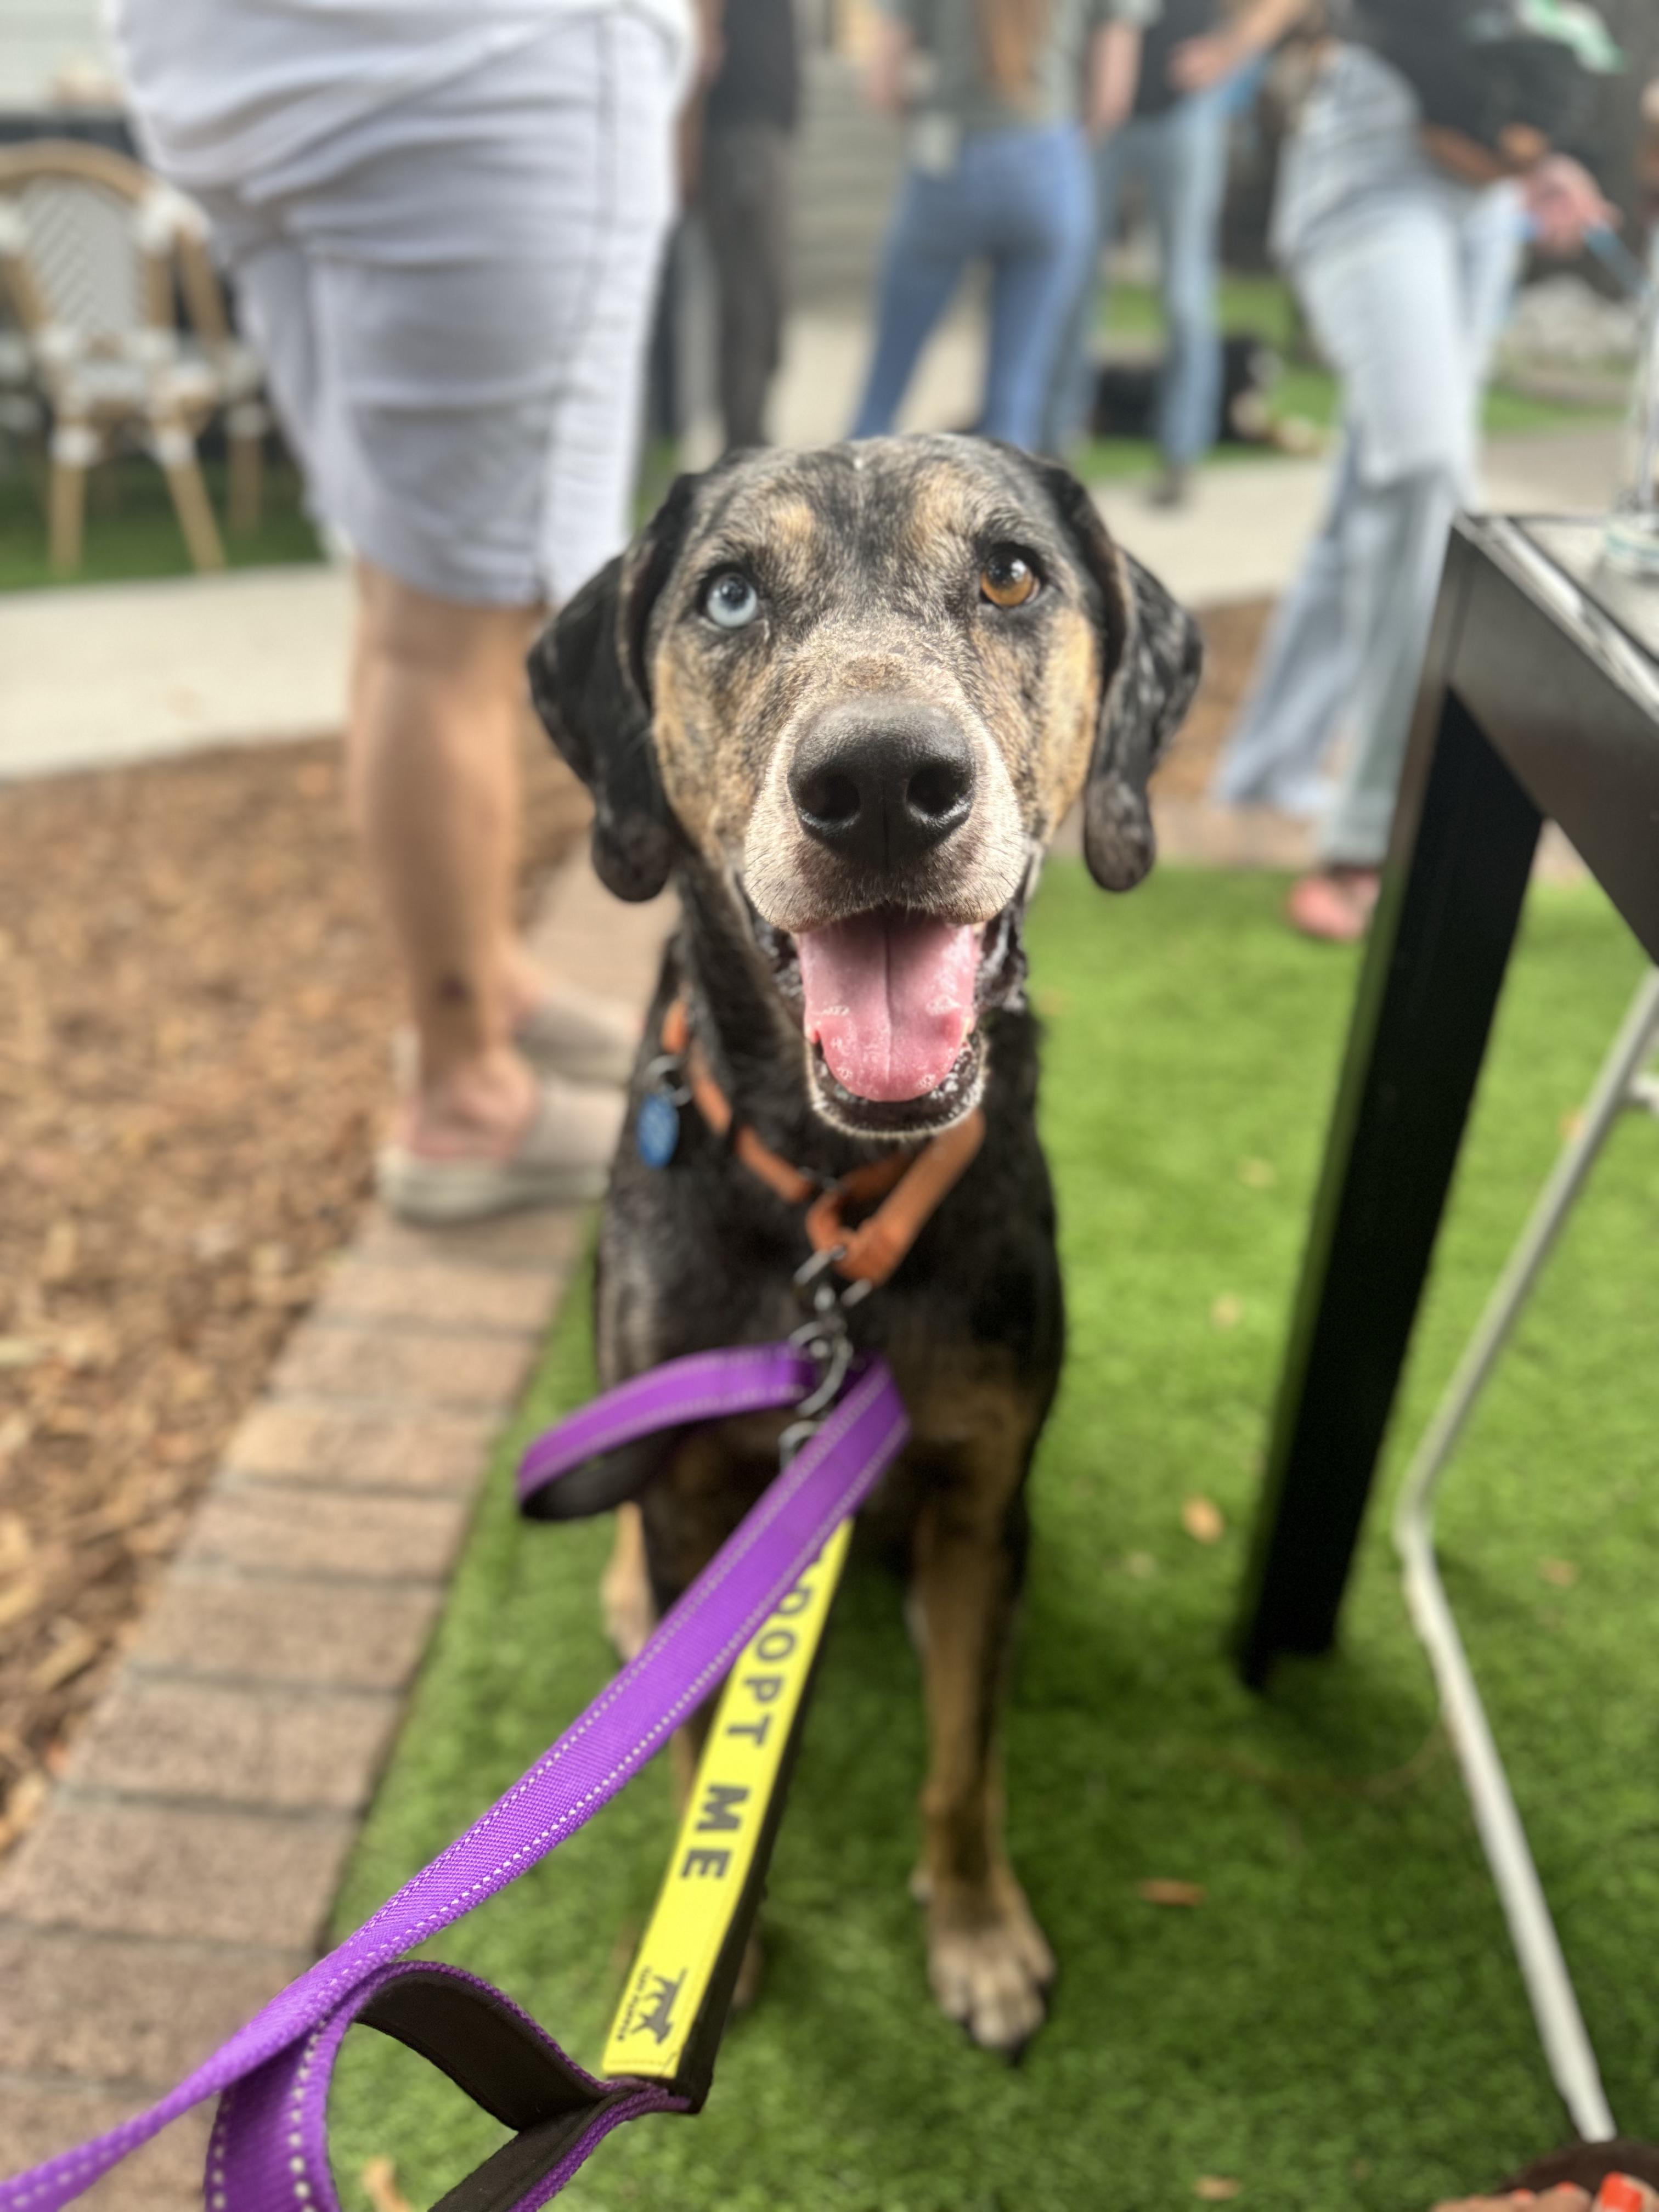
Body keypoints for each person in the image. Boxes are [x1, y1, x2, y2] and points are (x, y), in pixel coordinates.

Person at [110, 0, 693, 1218]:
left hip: (244, 68)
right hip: (475, 64)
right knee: (449, 635)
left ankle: (479, 988)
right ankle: (464, 1094)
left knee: (399, 599)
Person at [1208, 0, 1617, 942]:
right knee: (1426, 478)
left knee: (1372, 493)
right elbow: (1423, 51)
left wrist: (1538, 156)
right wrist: (1518, 139)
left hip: (1477, 203)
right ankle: (1366, 832)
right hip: (1380, 163)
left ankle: (1261, 777)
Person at [851, 0, 1159, 453]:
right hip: (1048, 162)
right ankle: (1006, 517)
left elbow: (882, 86)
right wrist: (1054, 147)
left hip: (948, 160)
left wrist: (926, 112)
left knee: (885, 386)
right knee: (1015, 402)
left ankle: (847, 499)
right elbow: (1112, 98)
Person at [1042, 0, 1312, 503]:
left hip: (1182, 110)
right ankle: (1055, 447)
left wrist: (1229, 51)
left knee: (1186, 292)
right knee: (1070, 283)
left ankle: (1182, 450)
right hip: (1096, 112)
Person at [698, 0, 800, 451]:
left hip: (766, 137)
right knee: (752, 302)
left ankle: (748, 438)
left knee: (762, 301)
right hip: (738, 136)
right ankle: (745, 443)